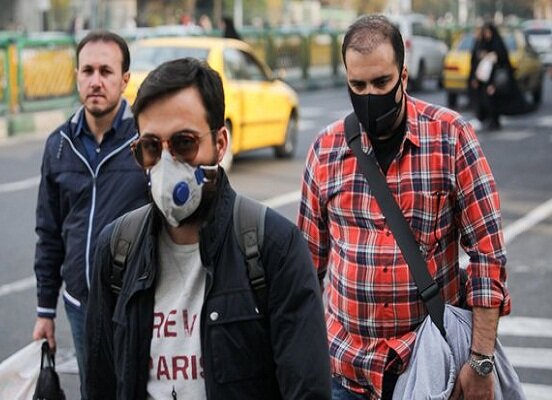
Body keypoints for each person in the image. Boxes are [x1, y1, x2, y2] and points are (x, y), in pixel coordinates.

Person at [84, 57, 331, 399]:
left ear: (220, 143)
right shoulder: (116, 249)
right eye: (151, 147)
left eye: (184, 143)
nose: (167, 164)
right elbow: (99, 383)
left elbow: (307, 389)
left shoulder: (275, 247)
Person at [297, 15, 511, 400]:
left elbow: (487, 253)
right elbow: (305, 270)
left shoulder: (450, 137)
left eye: (382, 83)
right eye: (358, 85)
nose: (369, 96)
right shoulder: (325, 150)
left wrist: (481, 361)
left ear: (404, 77)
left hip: (429, 369)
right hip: (345, 372)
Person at [32, 30, 149, 396]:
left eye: (106, 71)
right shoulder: (59, 145)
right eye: (88, 71)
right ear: (77, 76)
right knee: (94, 390)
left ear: (125, 80)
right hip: (81, 306)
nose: (96, 81)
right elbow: (49, 232)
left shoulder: (146, 141)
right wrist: (45, 311)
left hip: (137, 304)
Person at [469, 22, 526, 131]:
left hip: (495, 80)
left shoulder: (497, 45)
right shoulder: (481, 44)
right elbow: (475, 62)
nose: (487, 35)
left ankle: (494, 121)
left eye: (488, 32)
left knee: (493, 101)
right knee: (484, 101)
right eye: (485, 32)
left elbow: (503, 63)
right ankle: (487, 119)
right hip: (483, 80)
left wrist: (494, 58)